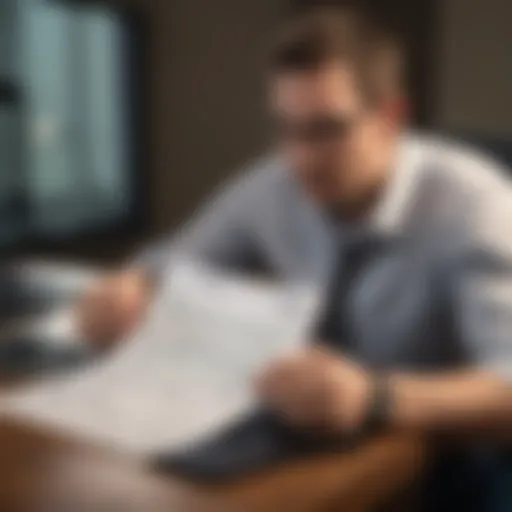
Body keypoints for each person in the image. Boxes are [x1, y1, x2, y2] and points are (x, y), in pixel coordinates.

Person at [77, 7, 512, 509]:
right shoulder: (277, 184)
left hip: (454, 459)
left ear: (391, 118)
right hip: (316, 440)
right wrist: (131, 287)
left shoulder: (479, 210)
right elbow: (176, 259)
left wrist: (377, 396)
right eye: (286, 128)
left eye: (327, 130)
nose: (301, 158)